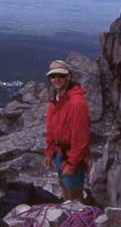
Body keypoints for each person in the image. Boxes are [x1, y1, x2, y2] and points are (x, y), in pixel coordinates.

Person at [44, 60, 90, 203]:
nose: (56, 79)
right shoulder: (56, 100)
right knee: (64, 190)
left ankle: (80, 221)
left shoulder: (76, 103)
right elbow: (51, 128)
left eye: (61, 76)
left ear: (68, 77)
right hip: (59, 153)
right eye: (53, 76)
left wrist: (72, 164)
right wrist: (50, 152)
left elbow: (81, 138)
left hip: (72, 156)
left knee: (74, 197)